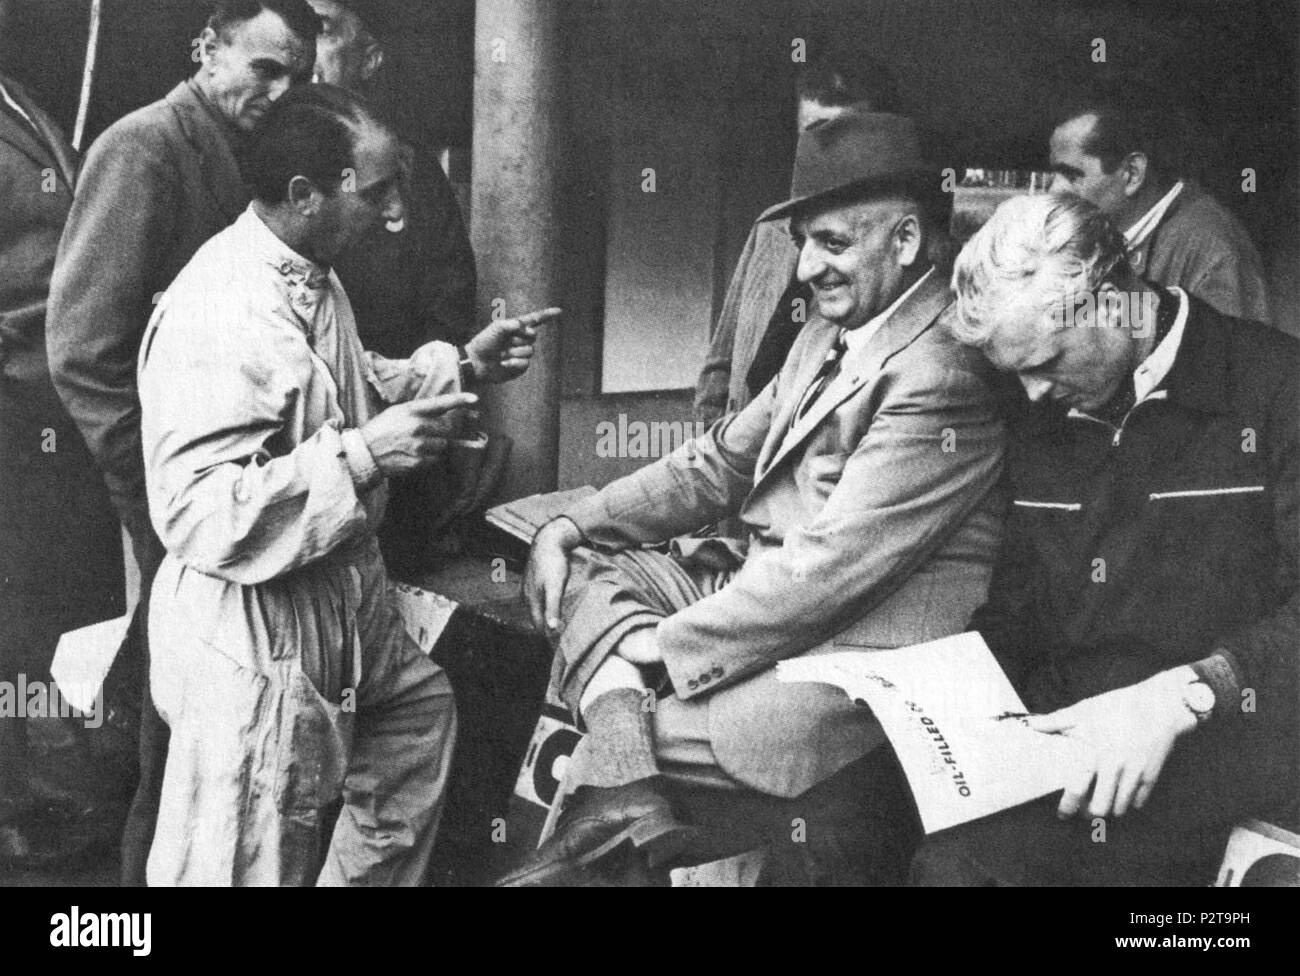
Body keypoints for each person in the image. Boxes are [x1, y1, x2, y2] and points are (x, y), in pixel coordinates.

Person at [500, 112, 1005, 887]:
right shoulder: (829, 333)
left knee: (627, 740)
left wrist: (662, 645)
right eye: (803, 243)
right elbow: (718, 462)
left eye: (830, 243)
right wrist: (572, 524)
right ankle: (622, 806)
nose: (805, 268)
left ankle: (614, 806)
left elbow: (828, 570)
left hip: (851, 659)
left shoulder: (943, 373)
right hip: (758, 599)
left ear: (905, 240)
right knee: (577, 568)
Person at [137, 83, 557, 885]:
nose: (396, 214)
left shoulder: (313, 276)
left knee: (416, 720)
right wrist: (362, 458)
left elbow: (343, 382)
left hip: (340, 593)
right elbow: (197, 513)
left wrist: (462, 365)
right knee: (244, 852)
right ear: (305, 194)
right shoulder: (220, 307)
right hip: (256, 619)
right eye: (377, 192)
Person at [911, 192, 1297, 885]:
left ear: (1114, 301)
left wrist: (1188, 694)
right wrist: (936, 700)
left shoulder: (1276, 389)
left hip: (1225, 748)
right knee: (853, 826)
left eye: (1048, 360)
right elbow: (1018, 612)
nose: (1032, 393)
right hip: (1066, 747)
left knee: (965, 871)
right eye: (1014, 372)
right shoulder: (1041, 412)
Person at [46, 0, 321, 885]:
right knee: (174, 739)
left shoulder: (243, 153)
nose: (280, 93)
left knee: (200, 732)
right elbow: (83, 352)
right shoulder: (144, 147)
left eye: (298, 77)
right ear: (207, 48)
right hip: (175, 500)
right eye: (264, 69)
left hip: (234, 496)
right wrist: (155, 498)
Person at [306, 0, 481, 576]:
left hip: (394, 458)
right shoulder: (254, 168)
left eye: (323, 29)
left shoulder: (411, 171)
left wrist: (414, 409)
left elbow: (448, 302)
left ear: (371, 58)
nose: (305, 48)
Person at [0, 66, 124, 867]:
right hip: (13, 399)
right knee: (13, 610)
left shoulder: (18, 96)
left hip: (53, 400)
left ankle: (57, 776)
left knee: (57, 598)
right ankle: (26, 804)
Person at [693, 56, 902, 427]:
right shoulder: (770, 228)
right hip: (740, 440)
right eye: (814, 135)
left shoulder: (890, 247)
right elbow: (722, 359)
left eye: (844, 137)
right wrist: (708, 437)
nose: (828, 155)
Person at [1048, 81, 1271, 324]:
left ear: (1132, 173)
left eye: (1071, 175)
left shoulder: (1215, 252)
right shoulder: (1102, 232)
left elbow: (1237, 347)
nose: (1054, 190)